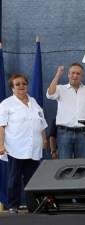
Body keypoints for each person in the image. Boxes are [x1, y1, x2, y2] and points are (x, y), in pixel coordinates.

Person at [0, 74, 48, 214]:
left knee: (31, 179)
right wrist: (0, 145)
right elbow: (1, 126)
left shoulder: (33, 101)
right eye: (17, 84)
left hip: (34, 147)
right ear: (12, 88)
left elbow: (41, 122)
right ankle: (13, 206)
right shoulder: (6, 104)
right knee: (14, 178)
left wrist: (44, 140)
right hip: (15, 147)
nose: (21, 86)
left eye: (24, 83)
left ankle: (32, 206)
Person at [46, 63, 85, 159]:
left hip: (83, 133)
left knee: (82, 166)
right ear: (68, 74)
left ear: (82, 76)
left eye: (78, 73)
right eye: (72, 73)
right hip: (64, 133)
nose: (75, 76)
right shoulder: (60, 88)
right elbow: (50, 94)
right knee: (64, 166)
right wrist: (58, 74)